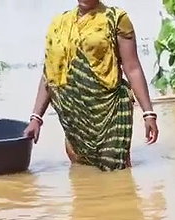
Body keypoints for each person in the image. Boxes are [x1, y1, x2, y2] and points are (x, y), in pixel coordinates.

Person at [23, 1, 159, 171]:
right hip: (74, 120)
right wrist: (36, 118)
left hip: (110, 115)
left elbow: (132, 68)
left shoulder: (116, 19)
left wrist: (148, 113)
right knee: (82, 177)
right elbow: (49, 75)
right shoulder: (59, 23)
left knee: (117, 175)